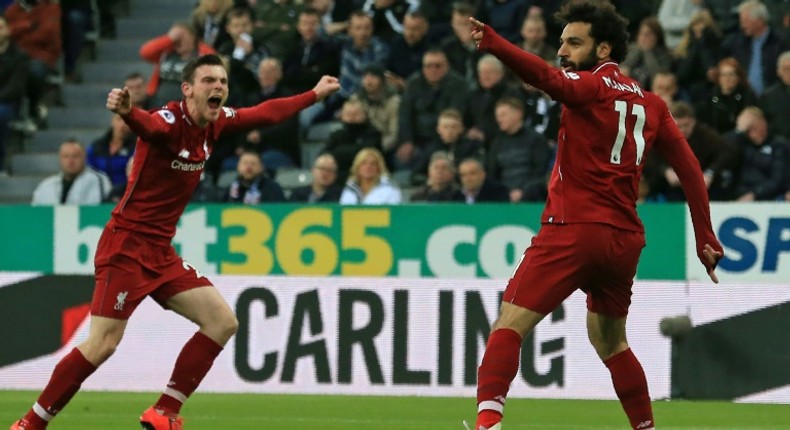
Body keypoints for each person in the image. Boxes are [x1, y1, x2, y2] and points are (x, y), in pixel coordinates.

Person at [10, 53, 339, 430]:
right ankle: (31, 424)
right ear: (187, 89)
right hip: (126, 247)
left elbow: (266, 113)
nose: (218, 88)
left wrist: (314, 94)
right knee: (103, 343)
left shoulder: (214, 124)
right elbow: (149, 126)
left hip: (161, 253)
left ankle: (164, 410)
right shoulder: (170, 120)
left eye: (223, 82)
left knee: (222, 321)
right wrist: (128, 112)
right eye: (209, 81)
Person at [466, 2, 723, 429]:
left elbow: (546, 78)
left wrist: (495, 43)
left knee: (508, 325)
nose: (562, 50)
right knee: (611, 341)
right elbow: (690, 169)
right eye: (562, 41)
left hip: (574, 229)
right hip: (623, 240)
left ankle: (488, 424)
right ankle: (646, 427)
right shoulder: (653, 105)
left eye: (574, 42)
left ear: (603, 48)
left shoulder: (591, 88)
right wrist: (704, 236)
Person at [31, 139, 112, 205]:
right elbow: (35, 213)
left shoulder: (100, 181)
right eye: (66, 156)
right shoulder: (46, 186)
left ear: (85, 158)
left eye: (75, 156)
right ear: (60, 159)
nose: (70, 161)